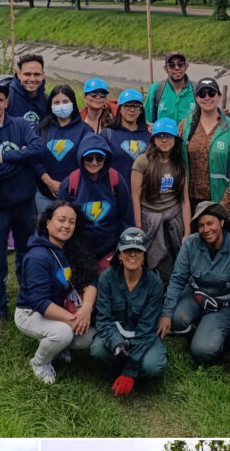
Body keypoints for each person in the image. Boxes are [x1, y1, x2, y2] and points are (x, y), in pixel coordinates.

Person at [0, 75, 45, 328]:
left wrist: (4, 159)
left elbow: (38, 149)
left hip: (24, 204)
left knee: (28, 255)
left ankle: (28, 301)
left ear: (7, 102)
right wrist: (21, 160)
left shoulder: (20, 125)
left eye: (0, 100)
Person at [157, 201, 230, 363]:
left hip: (225, 304)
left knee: (203, 351)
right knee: (175, 318)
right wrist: (166, 313)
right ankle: (201, 331)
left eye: (210, 223)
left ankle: (219, 342)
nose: (206, 230)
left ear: (222, 222)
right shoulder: (190, 244)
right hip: (196, 296)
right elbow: (177, 279)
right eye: (201, 225)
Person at [15, 202, 98, 384]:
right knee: (64, 333)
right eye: (61, 220)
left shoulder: (72, 248)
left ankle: (58, 348)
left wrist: (86, 308)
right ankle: (39, 363)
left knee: (91, 337)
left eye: (71, 222)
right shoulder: (37, 256)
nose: (66, 226)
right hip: (30, 313)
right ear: (47, 222)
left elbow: (91, 281)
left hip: (60, 310)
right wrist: (73, 320)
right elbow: (39, 302)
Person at [91, 228, 168, 395]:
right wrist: (117, 344)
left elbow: (147, 330)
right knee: (97, 349)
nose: (132, 254)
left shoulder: (155, 284)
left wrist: (129, 372)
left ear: (144, 255)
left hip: (143, 337)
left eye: (137, 250)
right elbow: (103, 320)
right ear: (119, 254)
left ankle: (130, 371)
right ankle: (118, 364)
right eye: (127, 250)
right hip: (116, 336)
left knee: (154, 366)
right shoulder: (106, 278)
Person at [57, 132, 135, 266]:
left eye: (99, 158)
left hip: (111, 249)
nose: (94, 162)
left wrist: (122, 250)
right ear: (81, 158)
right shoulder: (70, 183)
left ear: (106, 159)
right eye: (89, 158)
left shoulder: (116, 180)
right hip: (79, 251)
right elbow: (59, 221)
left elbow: (127, 219)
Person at [130, 118, 191, 281]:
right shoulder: (142, 161)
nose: (164, 140)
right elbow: (135, 197)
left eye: (168, 136)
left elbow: (184, 199)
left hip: (173, 218)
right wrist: (138, 227)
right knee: (161, 267)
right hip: (150, 218)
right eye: (160, 136)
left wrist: (187, 232)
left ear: (175, 139)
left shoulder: (179, 163)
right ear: (153, 139)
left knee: (178, 261)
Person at [181, 77, 230, 214]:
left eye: (211, 93)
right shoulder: (185, 125)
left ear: (219, 96)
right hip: (190, 202)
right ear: (196, 97)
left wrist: (225, 205)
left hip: (220, 200)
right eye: (202, 94)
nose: (207, 98)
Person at [35, 85, 89, 214]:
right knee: (47, 231)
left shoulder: (85, 130)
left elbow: (90, 162)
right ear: (51, 106)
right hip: (45, 195)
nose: (61, 106)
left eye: (65, 102)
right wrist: (48, 181)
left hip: (76, 194)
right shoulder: (41, 129)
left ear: (73, 103)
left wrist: (68, 186)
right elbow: (34, 159)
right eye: (56, 102)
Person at [102, 89, 149, 180]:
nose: (132, 110)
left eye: (136, 106)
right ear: (119, 109)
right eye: (127, 106)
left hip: (143, 190)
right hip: (115, 190)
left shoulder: (149, 134)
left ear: (141, 111)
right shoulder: (108, 134)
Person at [145, 51, 195, 126]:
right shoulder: (156, 90)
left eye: (180, 64)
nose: (177, 68)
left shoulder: (197, 90)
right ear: (165, 68)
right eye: (172, 65)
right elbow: (148, 121)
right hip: (164, 137)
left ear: (186, 66)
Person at [6, 53, 47, 129]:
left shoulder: (47, 100)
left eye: (37, 74)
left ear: (43, 75)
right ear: (19, 74)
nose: (32, 79)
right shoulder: (7, 97)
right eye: (27, 74)